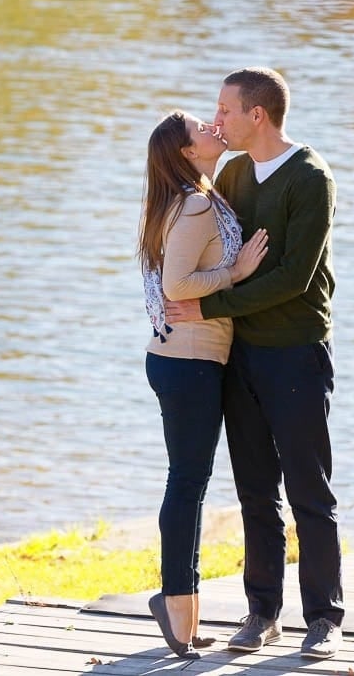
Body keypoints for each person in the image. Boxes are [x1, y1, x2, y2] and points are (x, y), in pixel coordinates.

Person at [164, 67, 344, 659]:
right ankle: (262, 611)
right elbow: (212, 242)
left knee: (309, 492)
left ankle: (324, 617)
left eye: (225, 109)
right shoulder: (236, 172)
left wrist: (209, 302)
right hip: (240, 354)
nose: (217, 119)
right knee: (254, 492)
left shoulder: (310, 178)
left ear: (257, 115)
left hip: (295, 353)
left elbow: (294, 279)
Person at [138, 110, 268, 659]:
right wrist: (234, 275)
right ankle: (174, 606)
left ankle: (183, 615)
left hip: (184, 360)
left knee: (189, 482)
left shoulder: (192, 196)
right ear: (188, 152)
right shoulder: (193, 203)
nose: (214, 129)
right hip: (189, 361)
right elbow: (177, 283)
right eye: (202, 129)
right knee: (187, 483)